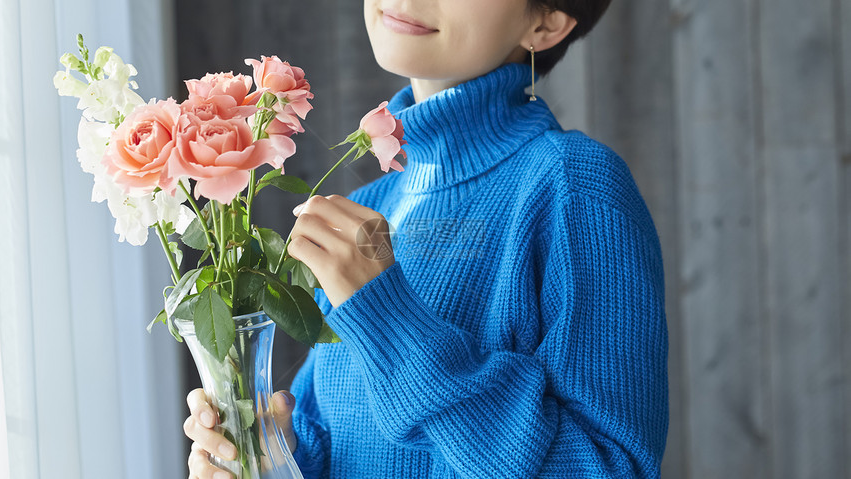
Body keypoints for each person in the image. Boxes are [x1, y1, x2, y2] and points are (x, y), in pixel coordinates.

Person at [185, 0, 668, 477]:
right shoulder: (371, 206)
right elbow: (339, 439)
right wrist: (277, 455)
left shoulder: (576, 188)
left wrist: (389, 321)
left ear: (545, 22)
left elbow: (608, 470)